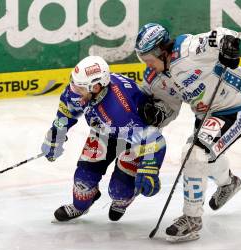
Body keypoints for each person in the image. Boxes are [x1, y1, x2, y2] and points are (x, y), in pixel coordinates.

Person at [134, 23, 241, 242]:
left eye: (148, 59)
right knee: (203, 157)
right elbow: (169, 109)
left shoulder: (189, 49)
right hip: (206, 115)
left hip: (235, 107)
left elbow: (224, 34)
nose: (148, 66)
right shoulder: (157, 78)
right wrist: (157, 114)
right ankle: (229, 183)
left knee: (194, 155)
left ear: (161, 51)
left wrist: (228, 46)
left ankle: (192, 219)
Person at [41, 55, 166, 222]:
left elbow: (153, 140)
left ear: (97, 87)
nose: (74, 91)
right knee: (83, 180)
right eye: (74, 84)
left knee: (119, 190)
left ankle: (123, 199)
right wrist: (55, 136)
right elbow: (66, 113)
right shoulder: (79, 91)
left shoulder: (121, 109)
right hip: (103, 131)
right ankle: (80, 207)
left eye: (80, 89)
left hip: (132, 139)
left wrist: (149, 168)